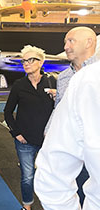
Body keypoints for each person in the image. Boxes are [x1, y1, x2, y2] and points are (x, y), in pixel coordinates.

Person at [34, 59, 100, 210]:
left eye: (71, 41)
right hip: (63, 134)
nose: (66, 47)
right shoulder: (87, 79)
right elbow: (53, 173)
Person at [45, 26, 97, 205]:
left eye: (71, 41)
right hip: (72, 149)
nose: (66, 46)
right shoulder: (64, 77)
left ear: (89, 42)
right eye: (65, 42)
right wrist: (49, 132)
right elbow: (59, 107)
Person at [4, 45, 56, 210]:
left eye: (30, 60)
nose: (26, 63)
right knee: (27, 176)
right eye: (24, 60)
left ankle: (51, 204)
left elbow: (63, 109)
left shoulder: (52, 82)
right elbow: (7, 112)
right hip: (25, 141)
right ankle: (27, 206)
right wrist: (16, 133)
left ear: (41, 62)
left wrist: (58, 97)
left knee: (51, 175)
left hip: (49, 140)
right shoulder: (19, 85)